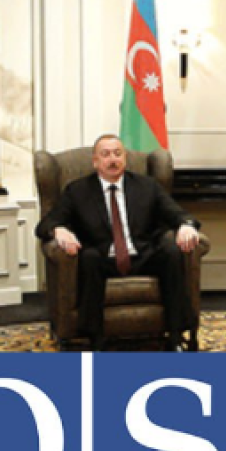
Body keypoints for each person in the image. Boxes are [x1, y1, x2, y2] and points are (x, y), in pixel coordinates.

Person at [35, 134, 201, 351]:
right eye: (105, 155)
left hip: (141, 254)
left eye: (117, 154)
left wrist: (186, 225)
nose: (112, 159)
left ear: (125, 159)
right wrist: (58, 229)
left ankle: (176, 336)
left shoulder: (147, 186)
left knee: (172, 252)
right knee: (89, 258)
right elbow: (45, 224)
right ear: (95, 162)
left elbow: (177, 213)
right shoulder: (78, 191)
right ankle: (95, 340)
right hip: (102, 258)